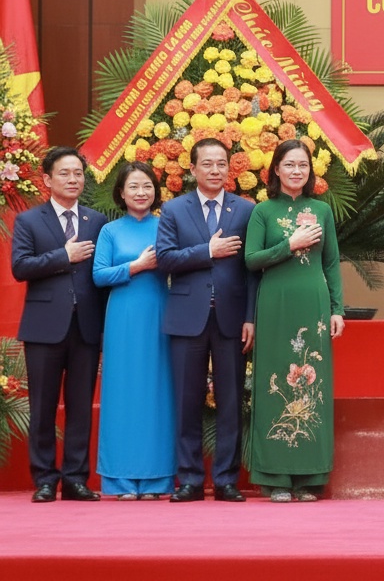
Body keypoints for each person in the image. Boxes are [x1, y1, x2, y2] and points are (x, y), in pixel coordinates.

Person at [156, 137, 256, 503]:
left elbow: (252, 271)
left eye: (221, 163)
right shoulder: (173, 210)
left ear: (230, 169)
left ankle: (227, 479)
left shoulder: (246, 210)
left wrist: (251, 317)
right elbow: (165, 258)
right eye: (207, 163)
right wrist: (207, 251)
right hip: (186, 317)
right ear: (193, 168)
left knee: (231, 400)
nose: (215, 170)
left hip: (232, 318)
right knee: (187, 400)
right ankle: (190, 479)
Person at [245, 140, 344, 502]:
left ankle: (309, 477)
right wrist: (292, 242)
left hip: (313, 305)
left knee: (311, 379)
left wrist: (337, 309)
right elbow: (252, 259)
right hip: (274, 304)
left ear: (310, 170)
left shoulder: (321, 209)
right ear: (275, 170)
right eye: (289, 165)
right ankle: (275, 477)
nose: (296, 171)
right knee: (275, 380)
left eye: (302, 165)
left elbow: (331, 262)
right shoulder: (263, 212)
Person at [11, 147, 106, 503]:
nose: (73, 179)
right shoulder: (30, 221)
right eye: (65, 174)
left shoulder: (96, 222)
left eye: (78, 173)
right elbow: (21, 267)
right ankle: (45, 479)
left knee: (81, 406)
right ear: (48, 180)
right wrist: (62, 257)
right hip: (44, 326)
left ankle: (76, 479)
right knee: (44, 406)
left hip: (86, 326)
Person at [92, 161, 176, 500]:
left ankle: (158, 480)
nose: (141, 193)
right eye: (133, 187)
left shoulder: (166, 226)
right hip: (123, 316)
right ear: (121, 193)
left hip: (160, 311)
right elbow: (99, 275)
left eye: (147, 186)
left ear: (155, 191)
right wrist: (135, 266)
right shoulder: (110, 231)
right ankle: (121, 480)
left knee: (159, 391)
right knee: (122, 392)